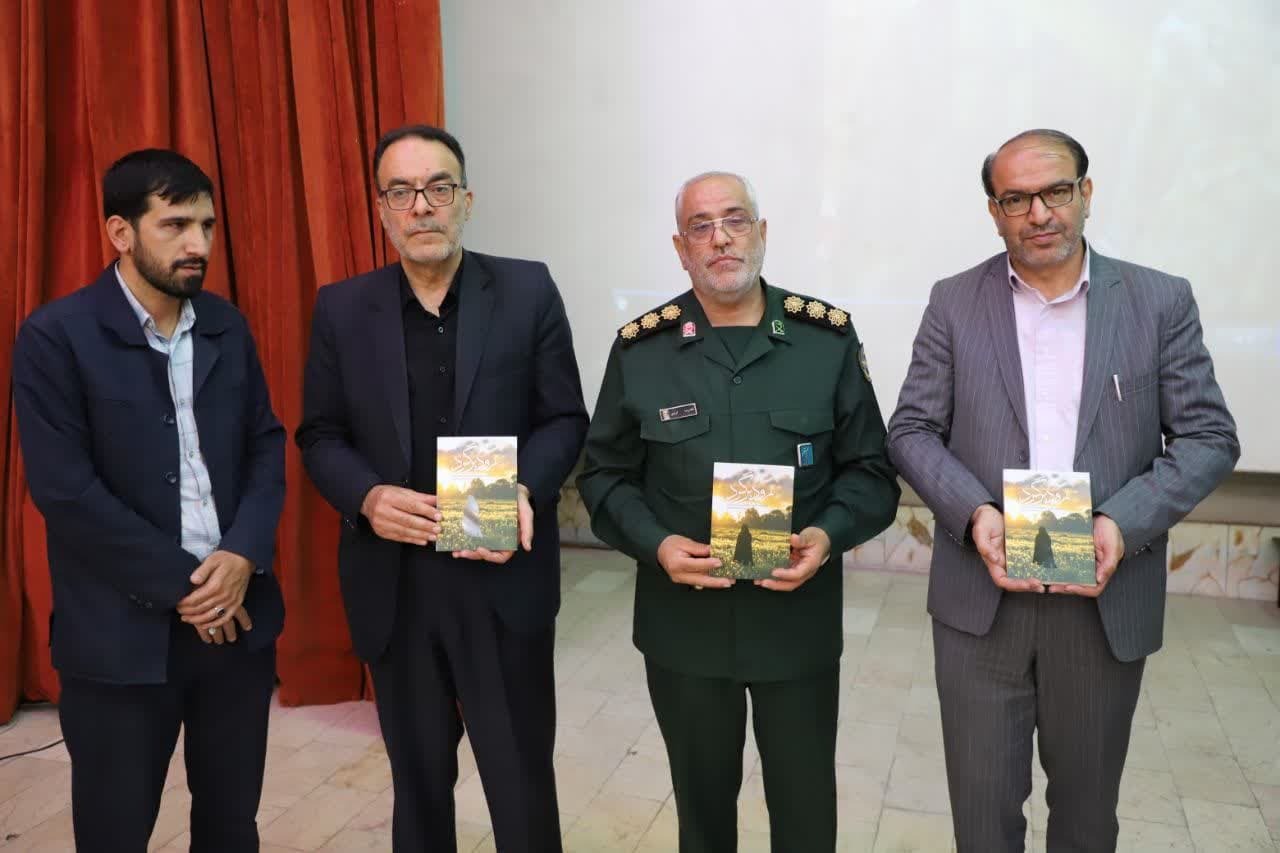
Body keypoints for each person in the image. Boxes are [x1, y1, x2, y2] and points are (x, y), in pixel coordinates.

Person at [887, 129, 1239, 852]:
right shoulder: (954, 301)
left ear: (1086, 192)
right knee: (982, 820)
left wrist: (1119, 523)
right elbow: (912, 430)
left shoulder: (1157, 300)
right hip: (981, 604)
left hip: (1101, 604)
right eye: (1016, 199)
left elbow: (1209, 436)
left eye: (1055, 191)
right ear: (995, 212)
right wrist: (975, 513)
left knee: (1085, 819)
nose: (1039, 213)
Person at [577, 171, 900, 852]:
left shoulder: (826, 340)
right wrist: (656, 543)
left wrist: (828, 534)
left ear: (762, 232)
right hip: (684, 628)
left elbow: (872, 474)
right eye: (701, 226)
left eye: (735, 219)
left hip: (796, 623)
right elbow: (603, 476)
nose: (720, 237)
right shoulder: (641, 350)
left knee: (805, 813)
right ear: (680, 247)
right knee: (702, 817)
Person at [295, 124, 588, 853]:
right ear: (381, 210)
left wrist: (526, 488)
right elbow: (320, 434)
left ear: (466, 201)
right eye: (401, 192)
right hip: (396, 583)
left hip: (501, 574)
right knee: (419, 783)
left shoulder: (527, 289)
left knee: (520, 780)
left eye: (438, 187)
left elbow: (563, 418)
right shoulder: (342, 308)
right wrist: (366, 497)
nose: (421, 205)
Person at [12, 148, 286, 853]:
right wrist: (192, 587)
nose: (199, 244)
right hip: (118, 637)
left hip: (238, 622)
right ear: (120, 232)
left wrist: (242, 553)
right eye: (175, 225)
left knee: (232, 825)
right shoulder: (56, 337)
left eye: (207, 225)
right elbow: (66, 491)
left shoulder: (226, 325)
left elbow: (265, 445)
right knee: (114, 831)